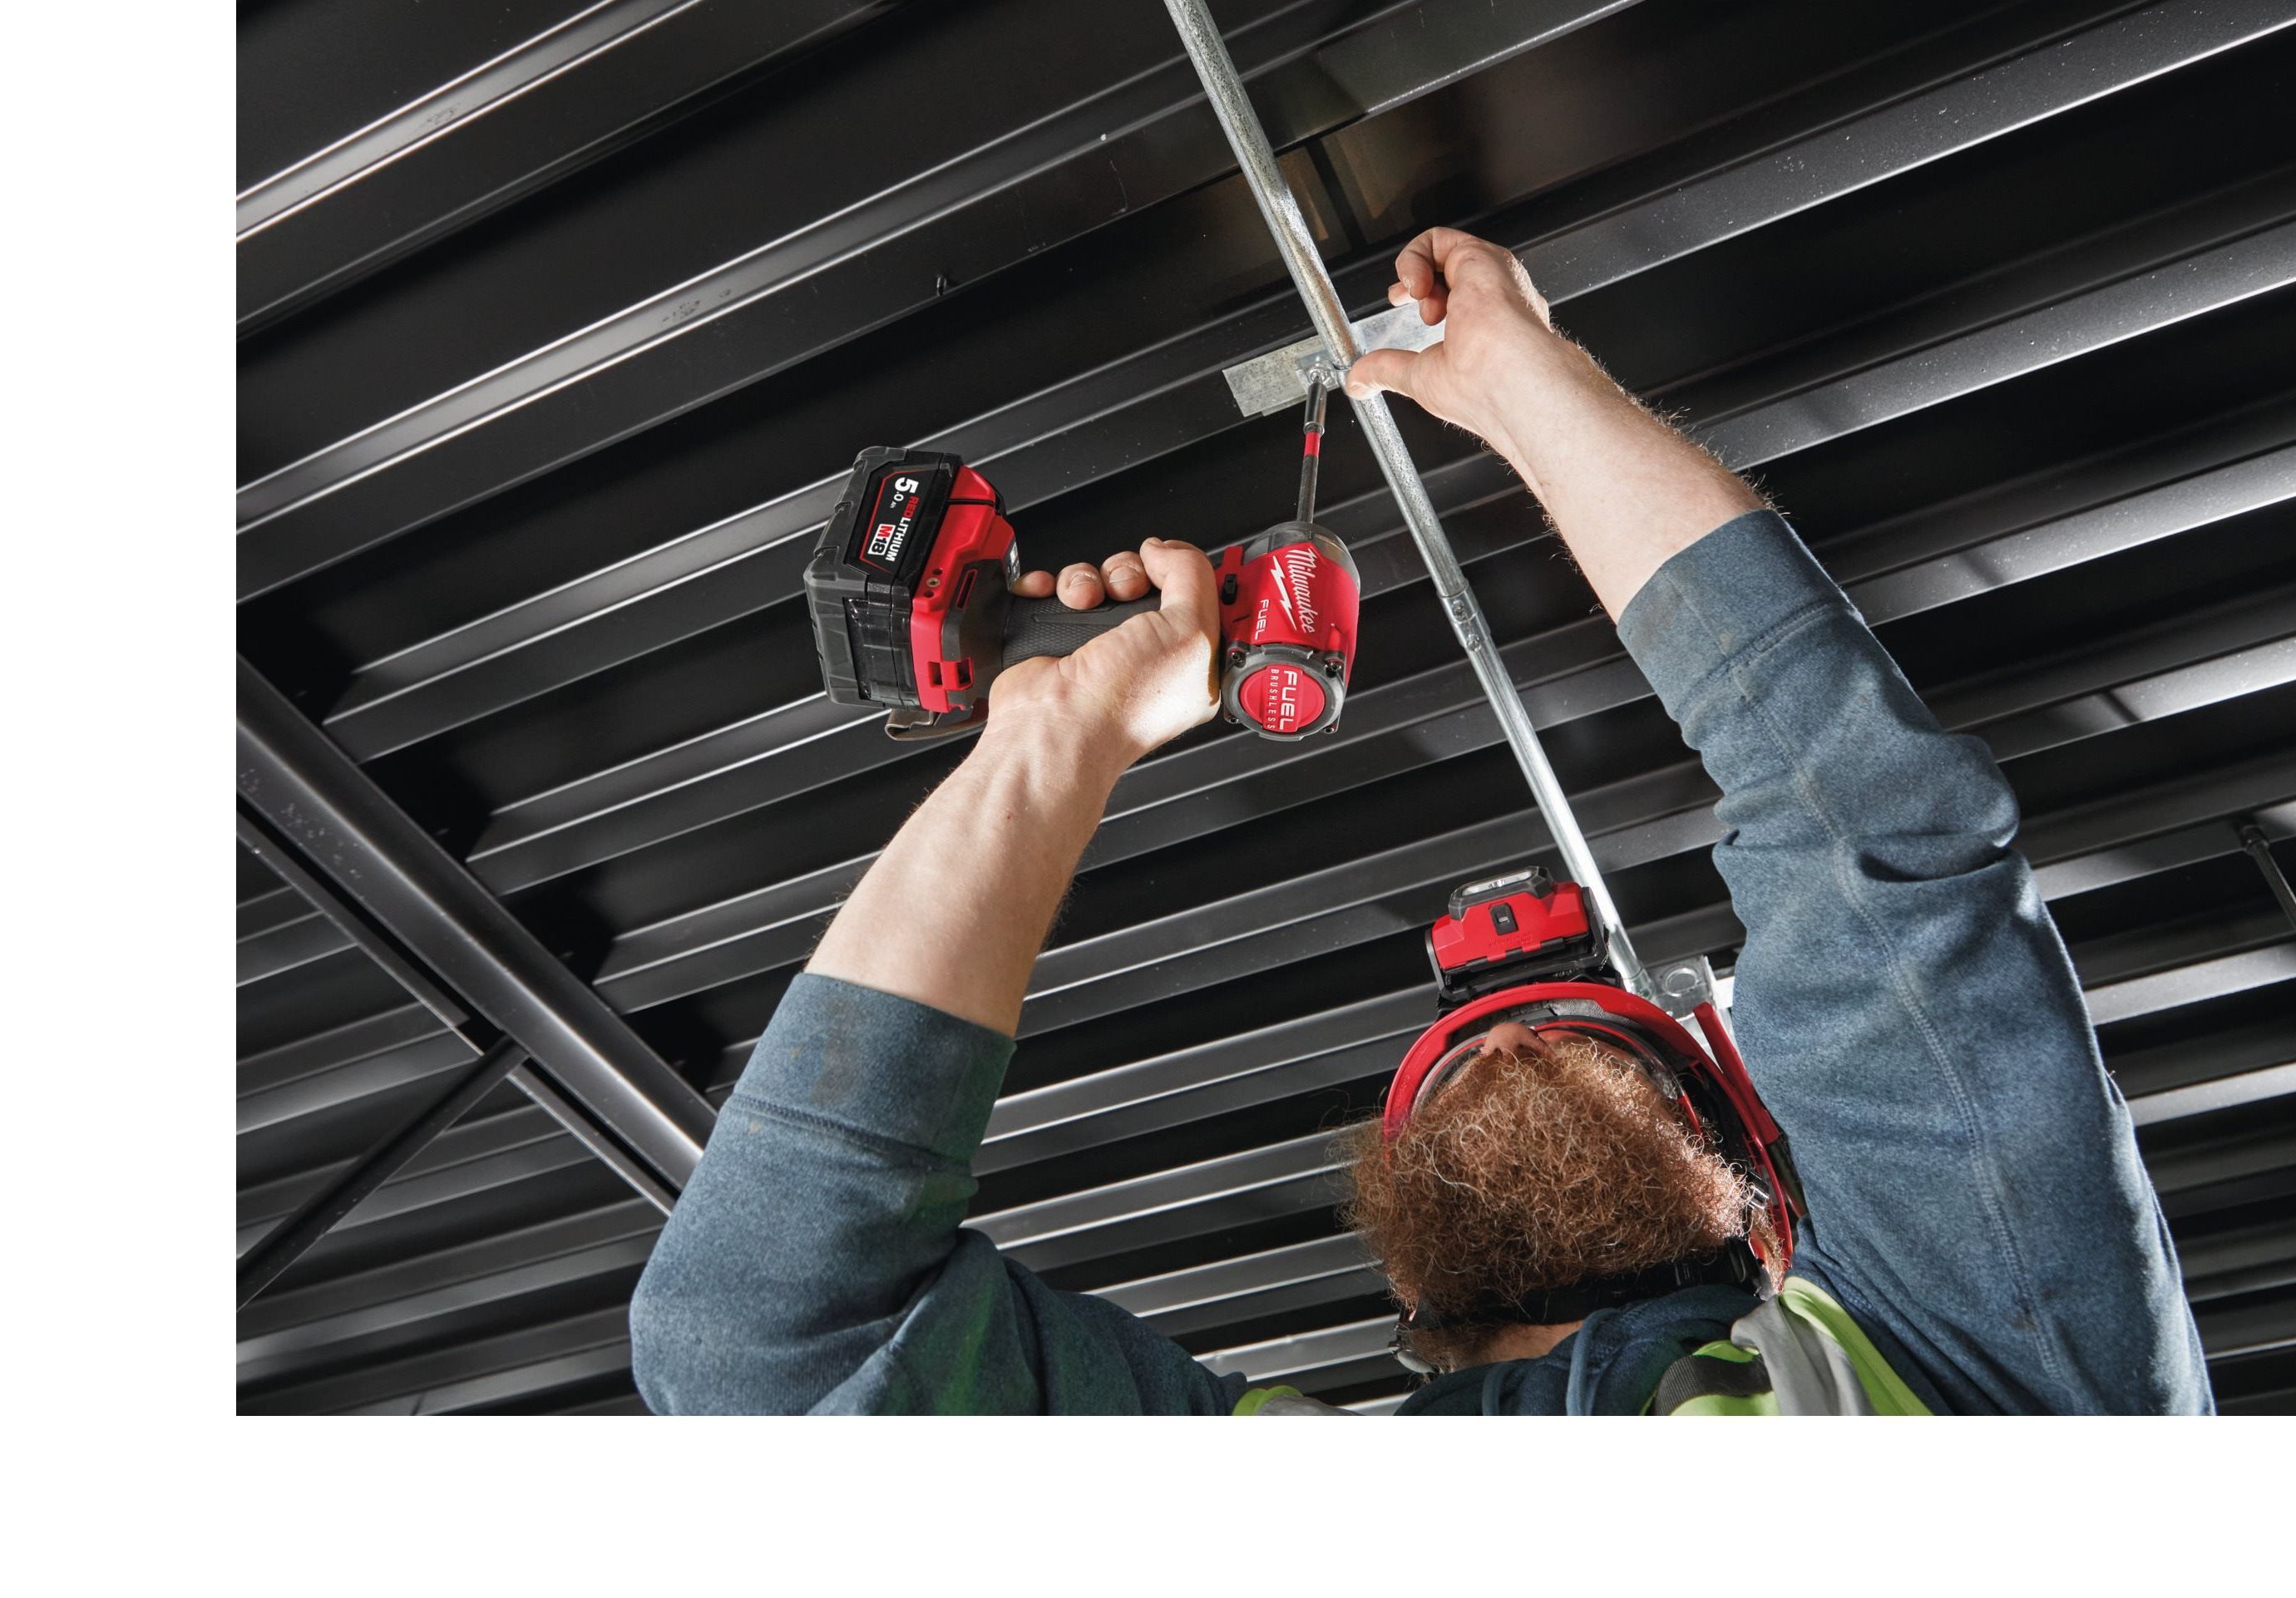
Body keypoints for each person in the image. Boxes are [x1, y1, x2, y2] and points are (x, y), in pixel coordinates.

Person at [630, 228, 2213, 1417]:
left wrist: (1055, 746)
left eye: (1478, 1064)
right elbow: (1876, 837)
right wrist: (1530, 386)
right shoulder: (2005, 1377)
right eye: (1573, 1051)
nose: (1517, 1040)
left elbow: (769, 1345)